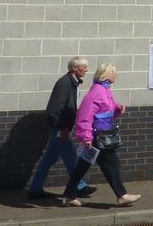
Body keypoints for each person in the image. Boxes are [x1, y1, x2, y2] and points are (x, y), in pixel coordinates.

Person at [62, 63, 140, 207]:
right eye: (113, 73)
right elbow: (85, 116)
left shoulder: (105, 90)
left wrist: (117, 109)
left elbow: (105, 112)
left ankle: (68, 195)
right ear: (106, 75)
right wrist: (86, 137)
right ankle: (122, 195)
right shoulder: (97, 92)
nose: (115, 75)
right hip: (98, 137)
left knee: (82, 167)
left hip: (102, 135)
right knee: (112, 163)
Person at [28, 57, 97, 200]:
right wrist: (63, 128)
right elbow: (55, 109)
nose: (86, 69)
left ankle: (35, 189)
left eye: (86, 66)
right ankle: (80, 186)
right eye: (83, 66)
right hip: (60, 128)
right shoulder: (65, 83)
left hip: (59, 127)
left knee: (48, 159)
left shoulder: (71, 83)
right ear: (74, 68)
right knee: (71, 156)